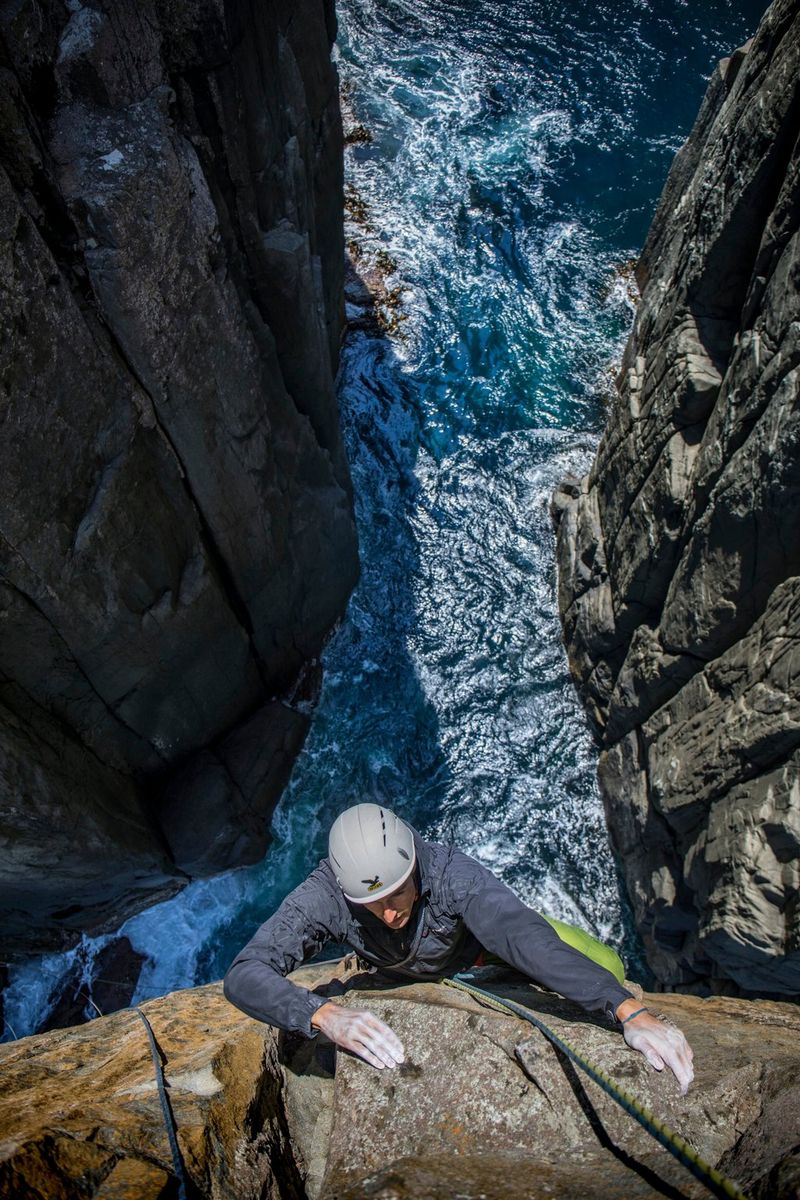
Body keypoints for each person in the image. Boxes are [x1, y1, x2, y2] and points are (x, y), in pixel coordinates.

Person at [224, 803, 694, 1093]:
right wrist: (322, 1014)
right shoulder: (323, 896)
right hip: (398, 969)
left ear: (414, 867)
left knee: (608, 964)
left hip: (481, 952)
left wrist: (627, 1010)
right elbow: (245, 973)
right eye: (370, 903)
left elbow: (520, 937)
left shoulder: (455, 876)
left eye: (396, 893)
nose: (388, 913)